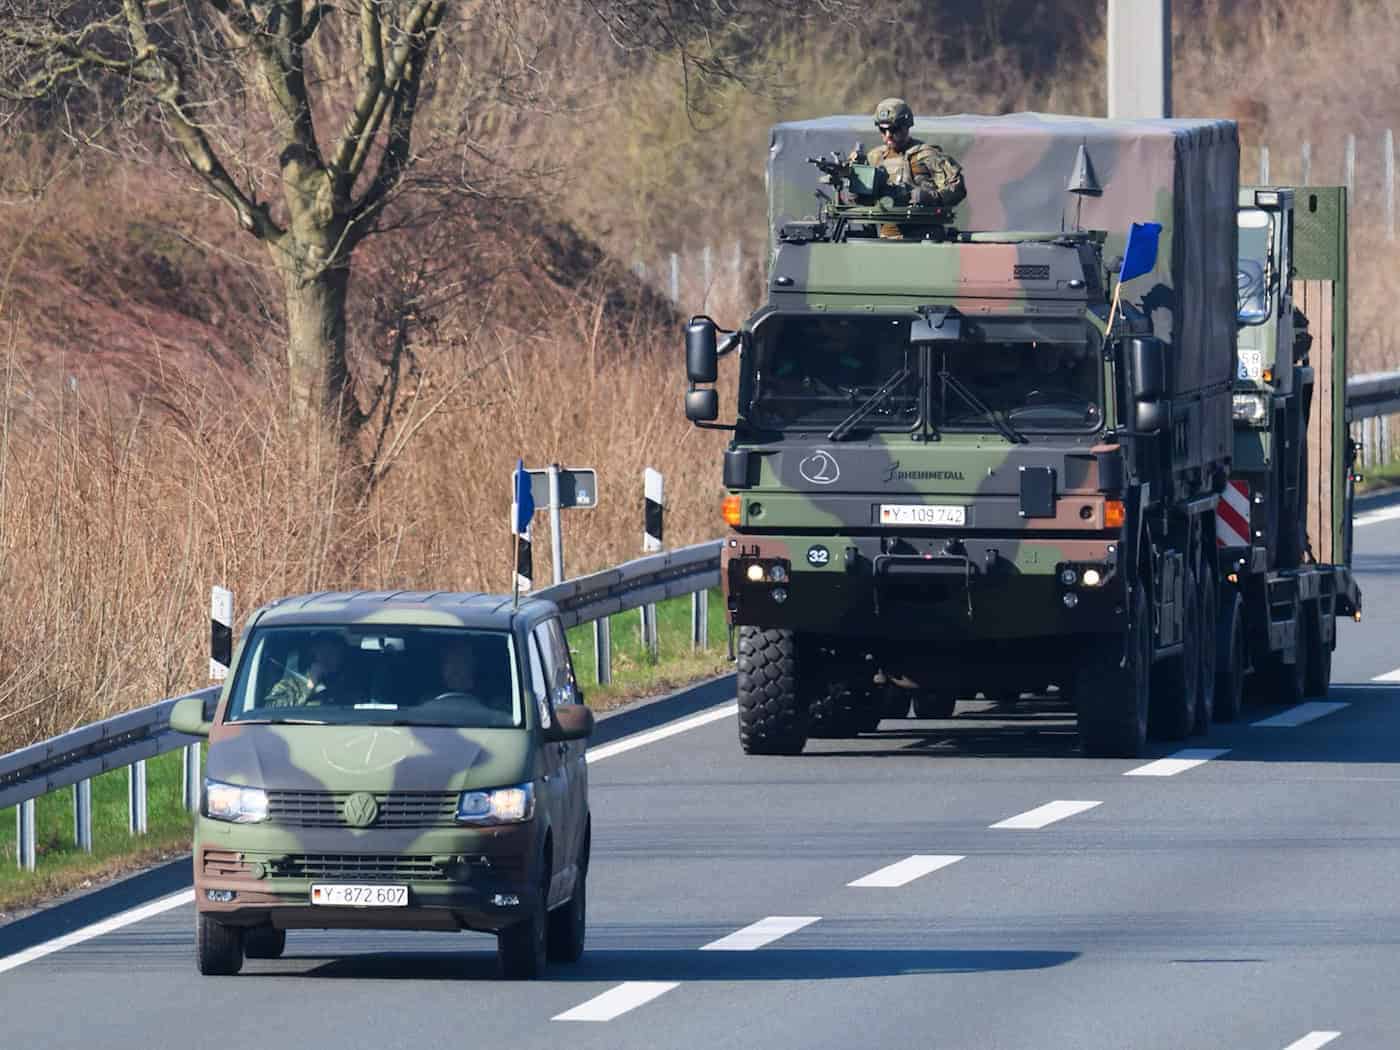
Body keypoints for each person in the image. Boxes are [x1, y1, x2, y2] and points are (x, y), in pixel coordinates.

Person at [853, 98, 966, 239]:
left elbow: (957, 187)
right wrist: (855, 185)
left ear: (906, 127)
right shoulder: (875, 158)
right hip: (885, 238)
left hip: (923, 238)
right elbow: (864, 201)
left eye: (894, 129)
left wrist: (932, 197)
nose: (888, 135)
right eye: (883, 130)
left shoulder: (926, 155)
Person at [264, 633, 348, 707]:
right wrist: (310, 685)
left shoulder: (348, 684)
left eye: (335, 653)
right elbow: (270, 708)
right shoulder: (292, 685)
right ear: (314, 654)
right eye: (326, 652)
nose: (330, 658)